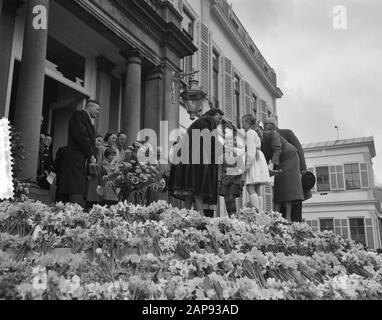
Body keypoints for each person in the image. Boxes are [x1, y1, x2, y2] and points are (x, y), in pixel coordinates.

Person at [168, 108, 224, 216]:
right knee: (198, 189)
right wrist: (221, 147)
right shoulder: (208, 120)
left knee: (188, 192)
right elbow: (209, 138)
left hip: (185, 159)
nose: (220, 122)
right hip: (195, 160)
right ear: (212, 115)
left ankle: (186, 216)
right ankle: (201, 217)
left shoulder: (199, 122)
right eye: (219, 118)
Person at [264, 118, 311, 222]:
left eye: (265, 124)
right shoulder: (267, 136)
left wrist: (303, 168)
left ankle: (293, 221)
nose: (263, 125)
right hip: (280, 168)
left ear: (272, 124)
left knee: (293, 197)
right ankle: (279, 219)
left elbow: (299, 149)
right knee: (281, 194)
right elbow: (267, 153)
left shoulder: (287, 132)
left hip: (292, 167)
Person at [59, 100, 100, 208]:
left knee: (80, 186)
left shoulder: (86, 119)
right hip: (76, 158)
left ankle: (77, 212)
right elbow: (82, 136)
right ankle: (74, 213)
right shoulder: (79, 115)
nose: (98, 112)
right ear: (90, 107)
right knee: (75, 186)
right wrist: (91, 155)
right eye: (97, 109)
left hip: (82, 159)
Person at [242, 114, 270, 212]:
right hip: (259, 157)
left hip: (254, 158)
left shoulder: (250, 133)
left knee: (250, 187)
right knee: (257, 187)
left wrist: (247, 166)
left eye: (243, 123)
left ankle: (256, 211)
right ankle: (260, 211)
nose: (242, 125)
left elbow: (250, 150)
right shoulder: (255, 133)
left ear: (248, 123)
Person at [218, 119, 245, 217]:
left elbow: (241, 165)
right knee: (226, 198)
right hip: (225, 178)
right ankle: (231, 217)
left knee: (231, 197)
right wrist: (219, 178)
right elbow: (220, 165)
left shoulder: (237, 149)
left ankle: (233, 217)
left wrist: (241, 178)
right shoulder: (222, 150)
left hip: (235, 178)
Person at [86, 134, 105, 209]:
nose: (100, 143)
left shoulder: (100, 151)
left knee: (97, 200)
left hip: (98, 179)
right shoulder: (90, 151)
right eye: (98, 140)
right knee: (91, 199)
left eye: (101, 141)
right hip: (91, 178)